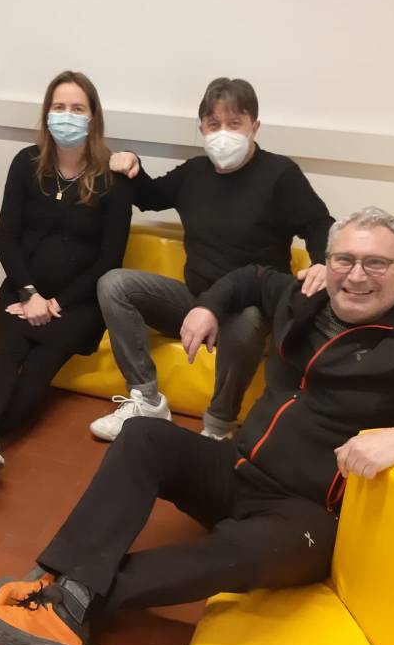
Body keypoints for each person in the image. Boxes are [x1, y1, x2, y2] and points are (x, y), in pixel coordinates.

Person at [0, 206, 394, 645]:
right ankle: (65, 583)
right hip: (236, 468)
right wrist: (208, 309)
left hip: (303, 516)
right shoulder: (304, 296)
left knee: (242, 552)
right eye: (344, 259)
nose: (356, 275)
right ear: (327, 262)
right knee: (143, 434)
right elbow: (248, 278)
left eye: (375, 263)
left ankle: (67, 595)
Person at [89, 77, 334, 442]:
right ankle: (146, 398)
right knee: (114, 284)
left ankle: (218, 425)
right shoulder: (194, 172)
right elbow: (150, 196)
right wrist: (129, 163)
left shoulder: (280, 174)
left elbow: (318, 223)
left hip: (249, 307)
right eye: (214, 124)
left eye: (234, 124)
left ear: (254, 127)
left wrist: (322, 263)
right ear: (202, 128)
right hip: (194, 300)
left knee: (248, 321)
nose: (223, 133)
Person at [0, 71, 132, 482]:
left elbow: (110, 259)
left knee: (39, 364)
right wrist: (30, 293)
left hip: (79, 304)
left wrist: (56, 303)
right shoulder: (26, 163)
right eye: (59, 107)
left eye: (77, 108)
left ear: (93, 117)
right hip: (23, 290)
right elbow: (6, 237)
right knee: (8, 349)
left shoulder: (113, 178)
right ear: (46, 114)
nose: (66, 116)